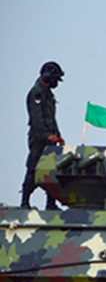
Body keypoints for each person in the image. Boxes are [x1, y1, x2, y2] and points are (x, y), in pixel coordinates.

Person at [21, 62, 65, 210]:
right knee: (34, 168)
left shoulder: (48, 94)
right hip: (39, 140)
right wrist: (47, 136)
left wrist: (58, 136)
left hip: (50, 139)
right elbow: (36, 119)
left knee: (52, 169)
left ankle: (50, 203)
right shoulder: (37, 93)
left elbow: (51, 118)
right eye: (55, 79)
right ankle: (25, 201)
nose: (55, 83)